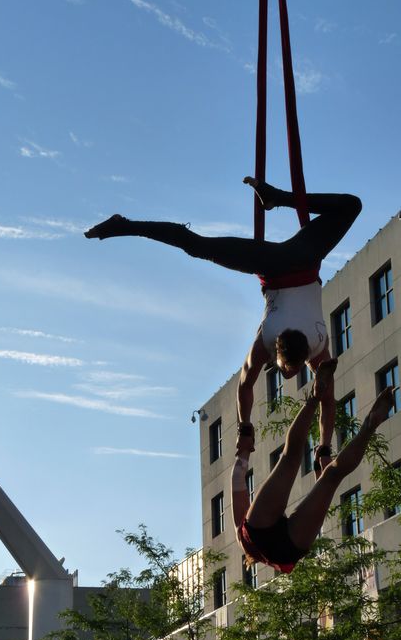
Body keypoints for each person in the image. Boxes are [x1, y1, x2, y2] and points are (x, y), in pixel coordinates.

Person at [84, 179, 362, 469]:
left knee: (351, 206)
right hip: (282, 264)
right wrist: (248, 430)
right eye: (286, 370)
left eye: (285, 372)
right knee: (196, 246)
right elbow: (246, 383)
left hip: (305, 258)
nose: (288, 377)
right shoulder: (269, 339)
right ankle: (124, 225)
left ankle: (278, 197)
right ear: (280, 353)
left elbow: (325, 400)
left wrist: (323, 447)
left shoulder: (316, 343)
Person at [231, 358, 394, 574]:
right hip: (256, 531)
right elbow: (237, 479)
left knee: (333, 475)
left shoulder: (269, 557)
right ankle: (315, 396)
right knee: (290, 457)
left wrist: (321, 473)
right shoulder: (241, 534)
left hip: (289, 551)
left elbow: (317, 497)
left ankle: (370, 425)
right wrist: (243, 451)